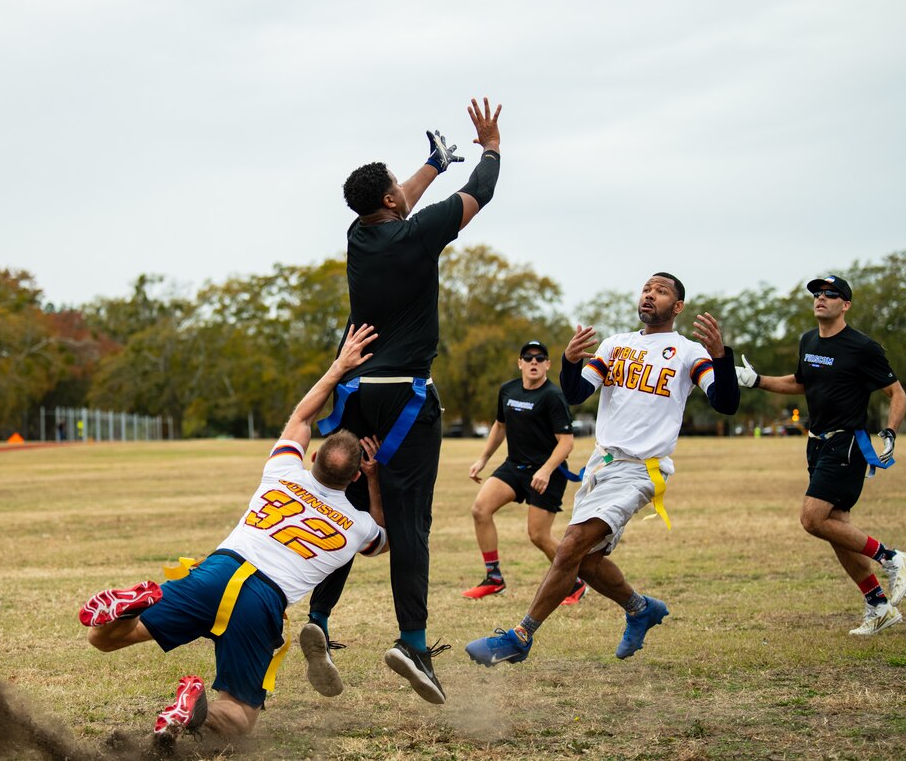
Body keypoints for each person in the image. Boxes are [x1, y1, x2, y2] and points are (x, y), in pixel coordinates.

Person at [77, 324, 388, 740]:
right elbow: (382, 541)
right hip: (262, 600)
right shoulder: (356, 526)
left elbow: (302, 416)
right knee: (239, 715)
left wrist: (339, 366)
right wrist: (375, 480)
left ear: (312, 457)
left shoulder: (281, 472)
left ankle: (131, 606)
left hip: (216, 571)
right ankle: (189, 713)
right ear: (352, 478)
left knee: (106, 640)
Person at [309, 97, 502, 705]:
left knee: (343, 507)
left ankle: (320, 617)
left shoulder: (358, 236)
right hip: (406, 399)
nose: (403, 190)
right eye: (399, 186)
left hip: (355, 391)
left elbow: (399, 202)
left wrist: (431, 165)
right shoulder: (419, 236)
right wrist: (490, 145)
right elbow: (484, 190)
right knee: (409, 521)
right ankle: (412, 643)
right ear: (392, 201)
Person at [465, 273, 740, 666]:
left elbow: (725, 403)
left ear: (677, 307)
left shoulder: (687, 352)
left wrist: (721, 357)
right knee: (588, 561)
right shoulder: (615, 345)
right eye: (647, 288)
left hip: (640, 471)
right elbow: (577, 393)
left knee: (571, 546)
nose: (650, 294)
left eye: (661, 291)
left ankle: (520, 636)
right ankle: (640, 608)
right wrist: (569, 361)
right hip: (601, 465)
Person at [733, 274, 906, 636]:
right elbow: (801, 383)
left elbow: (896, 394)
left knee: (812, 519)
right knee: (837, 529)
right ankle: (879, 606)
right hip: (816, 443)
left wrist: (891, 432)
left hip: (847, 443)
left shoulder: (863, 347)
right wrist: (756, 380)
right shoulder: (808, 341)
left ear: (845, 305)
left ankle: (894, 558)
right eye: (817, 293)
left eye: (831, 294)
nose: (821, 298)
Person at [464, 339, 587, 605]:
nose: (534, 362)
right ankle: (494, 578)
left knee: (538, 536)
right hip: (514, 466)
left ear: (548, 365)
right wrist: (483, 458)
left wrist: (544, 470)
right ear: (520, 362)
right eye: (528, 358)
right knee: (480, 510)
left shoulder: (553, 397)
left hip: (548, 473)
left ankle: (575, 583)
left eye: (540, 358)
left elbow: (566, 443)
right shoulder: (508, 390)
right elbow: (499, 425)